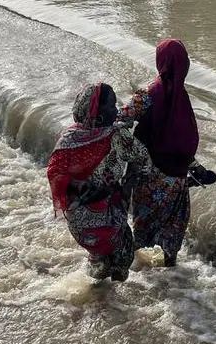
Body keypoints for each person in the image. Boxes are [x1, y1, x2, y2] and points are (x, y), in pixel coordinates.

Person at [118, 39, 216, 267]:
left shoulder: (150, 94)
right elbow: (181, 140)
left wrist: (130, 151)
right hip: (176, 175)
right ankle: (170, 271)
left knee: (143, 221)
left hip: (149, 171)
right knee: (174, 223)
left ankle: (127, 268)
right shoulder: (179, 97)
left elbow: (121, 120)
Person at [46, 83, 150, 281]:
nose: (115, 110)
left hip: (79, 225)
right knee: (122, 256)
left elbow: (54, 173)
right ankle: (115, 307)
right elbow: (143, 157)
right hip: (108, 220)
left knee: (100, 260)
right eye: (111, 106)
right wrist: (128, 187)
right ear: (97, 113)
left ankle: (96, 293)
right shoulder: (117, 136)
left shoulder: (69, 138)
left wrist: (77, 185)